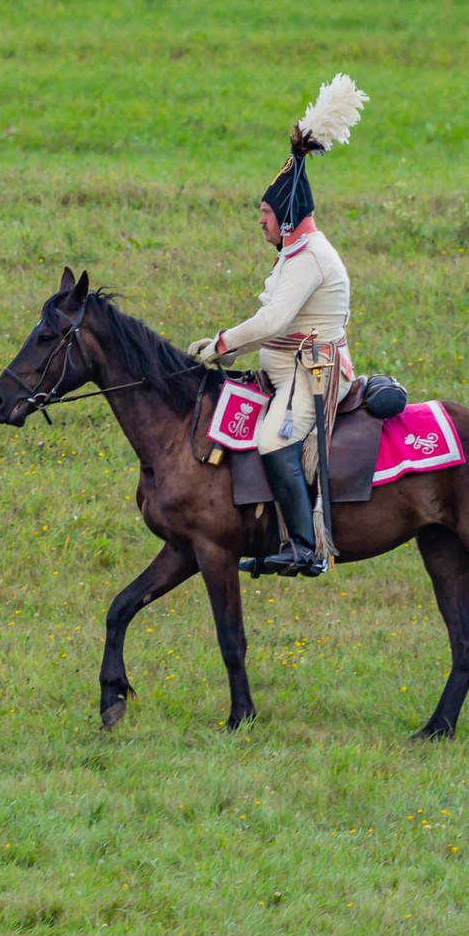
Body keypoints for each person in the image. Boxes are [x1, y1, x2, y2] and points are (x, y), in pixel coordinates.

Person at [189, 74, 366, 577]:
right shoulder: (294, 252)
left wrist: (223, 343)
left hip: (311, 377)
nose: (261, 222)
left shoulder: (310, 258)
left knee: (271, 440)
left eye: (266, 213)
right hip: (287, 371)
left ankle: (307, 549)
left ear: (286, 215)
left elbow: (273, 320)